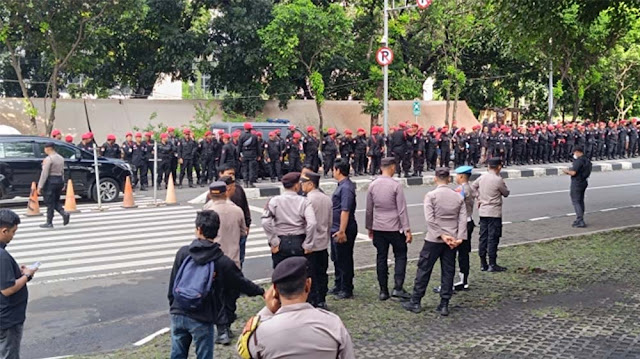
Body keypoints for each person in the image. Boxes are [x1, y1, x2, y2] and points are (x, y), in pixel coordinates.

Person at [168, 210, 264, 359]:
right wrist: (261, 291)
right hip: (203, 315)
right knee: (204, 354)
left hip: (178, 311)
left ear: (198, 229)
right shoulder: (221, 261)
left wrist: (173, 305)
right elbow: (241, 283)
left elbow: (173, 283)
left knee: (177, 354)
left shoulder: (183, 253)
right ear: (217, 231)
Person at [239, 257, 355, 359]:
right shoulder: (333, 324)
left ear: (275, 289)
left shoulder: (259, 333)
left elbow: (243, 349)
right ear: (308, 284)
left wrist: (267, 310)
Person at [402, 168, 466, 316]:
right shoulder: (458, 197)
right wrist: (459, 238)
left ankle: (416, 301)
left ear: (435, 179)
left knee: (424, 269)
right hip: (452, 239)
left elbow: (430, 220)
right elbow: (463, 219)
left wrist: (442, 235)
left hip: (434, 239)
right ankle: (444, 303)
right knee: (448, 271)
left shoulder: (431, 196)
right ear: (449, 179)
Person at [202, 181, 247, 345]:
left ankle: (222, 330)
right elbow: (244, 232)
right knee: (230, 295)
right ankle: (226, 326)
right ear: (226, 192)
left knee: (216, 296)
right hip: (233, 260)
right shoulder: (237, 210)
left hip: (213, 261)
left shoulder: (208, 210)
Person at [365, 157, 412, 301]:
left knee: (381, 257)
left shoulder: (373, 185)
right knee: (400, 255)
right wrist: (407, 229)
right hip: (394, 227)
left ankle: (383, 290)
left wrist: (369, 226)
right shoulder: (395, 186)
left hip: (379, 226)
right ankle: (398, 287)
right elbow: (401, 210)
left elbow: (369, 209)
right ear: (392, 167)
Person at [0, 209, 38, 359]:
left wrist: (17, 274)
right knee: (9, 354)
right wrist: (27, 275)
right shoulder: (2, 256)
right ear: (4, 231)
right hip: (8, 317)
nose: (13, 236)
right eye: (13, 232)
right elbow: (8, 289)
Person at [262, 172, 317, 268]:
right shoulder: (304, 201)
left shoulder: (274, 201)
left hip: (281, 242)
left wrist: (274, 241)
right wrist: (308, 244)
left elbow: (265, 222)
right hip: (299, 242)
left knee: (281, 275)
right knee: (301, 275)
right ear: (296, 186)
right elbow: (312, 223)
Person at [434, 165, 476, 293]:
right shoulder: (470, 187)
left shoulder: (461, 190)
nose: (456, 177)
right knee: (464, 254)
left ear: (461, 176)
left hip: (460, 225)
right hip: (469, 222)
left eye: (457, 175)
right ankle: (463, 280)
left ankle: (450, 284)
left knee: (450, 255)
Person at [299, 172, 332, 310]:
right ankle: (322, 300)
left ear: (310, 184)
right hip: (323, 242)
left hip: (310, 243)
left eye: (303, 183)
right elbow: (330, 222)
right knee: (322, 273)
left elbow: (305, 223)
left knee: (310, 274)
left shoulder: (306, 201)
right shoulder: (326, 199)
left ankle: (313, 300)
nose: (301, 186)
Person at [471, 157, 510, 272]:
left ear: (488, 166)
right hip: (494, 212)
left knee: (483, 237)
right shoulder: (498, 180)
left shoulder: (482, 178)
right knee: (493, 238)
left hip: (483, 211)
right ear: (499, 167)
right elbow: (506, 193)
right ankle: (492, 263)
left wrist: (479, 197)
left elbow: (473, 187)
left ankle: (483, 263)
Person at [330, 158, 358, 299]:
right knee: (337, 258)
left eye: (333, 169)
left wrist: (342, 231)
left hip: (343, 229)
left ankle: (346, 288)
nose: (332, 172)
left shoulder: (346, 187)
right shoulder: (341, 185)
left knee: (344, 259)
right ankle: (338, 284)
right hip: (335, 228)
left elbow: (345, 211)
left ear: (338, 170)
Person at [217, 164, 252, 267]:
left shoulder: (238, 189)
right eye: (229, 174)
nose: (232, 176)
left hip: (238, 230)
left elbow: (245, 207)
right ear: (221, 174)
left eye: (233, 174)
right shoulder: (214, 192)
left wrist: (247, 224)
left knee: (239, 259)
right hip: (221, 232)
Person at [37, 143, 70, 228]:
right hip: (59, 180)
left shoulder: (49, 159)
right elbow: (62, 171)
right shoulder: (61, 158)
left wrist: (40, 186)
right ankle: (64, 213)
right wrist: (63, 182)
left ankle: (49, 222)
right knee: (56, 201)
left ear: (48, 149)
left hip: (51, 181)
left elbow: (44, 173)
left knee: (49, 202)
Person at [562, 145, 592, 228]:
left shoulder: (578, 161)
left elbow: (573, 172)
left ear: (578, 152)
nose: (574, 154)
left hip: (577, 182)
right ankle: (580, 218)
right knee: (581, 201)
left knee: (576, 201)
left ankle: (580, 220)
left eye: (574, 153)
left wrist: (566, 171)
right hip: (584, 181)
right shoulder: (587, 160)